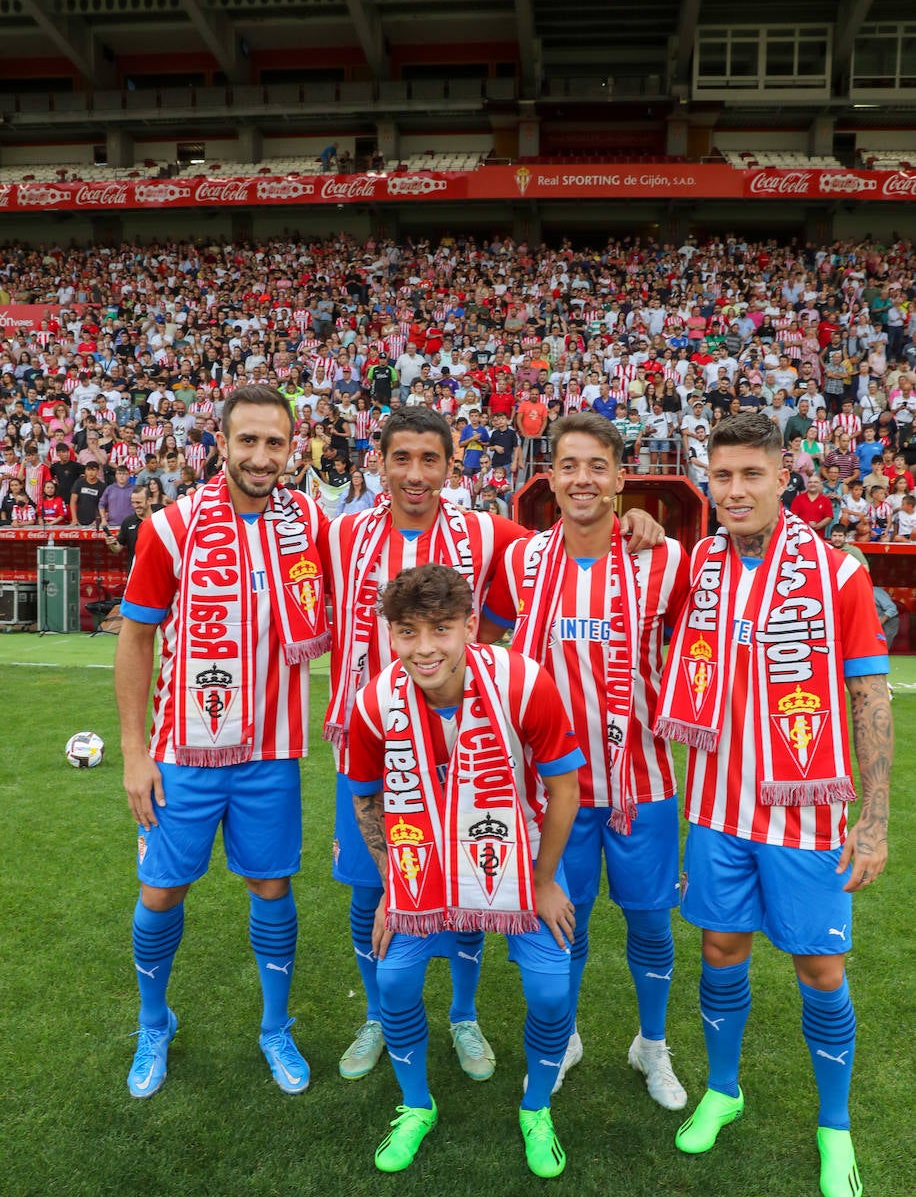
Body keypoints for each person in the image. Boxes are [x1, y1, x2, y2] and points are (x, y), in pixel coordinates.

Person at [325, 406, 662, 1083]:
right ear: (379, 462)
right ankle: (376, 1014)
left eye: (431, 460)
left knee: (477, 874)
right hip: (374, 744)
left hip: (472, 755)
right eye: (401, 458)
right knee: (375, 892)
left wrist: (632, 521)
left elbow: (569, 539)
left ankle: (464, 1013)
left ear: (454, 466)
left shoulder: (487, 533)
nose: (415, 474)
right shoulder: (337, 535)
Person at [655, 412, 892, 1197]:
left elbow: (868, 694)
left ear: (783, 475)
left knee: (819, 969)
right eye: (721, 476)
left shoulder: (838, 571)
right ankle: (724, 1090)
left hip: (806, 818)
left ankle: (834, 1125)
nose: (735, 491)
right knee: (720, 951)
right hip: (719, 811)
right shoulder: (696, 565)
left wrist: (876, 819)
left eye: (751, 474)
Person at [115, 385, 331, 1100]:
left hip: (271, 752)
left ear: (291, 447)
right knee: (160, 892)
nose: (263, 456)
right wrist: (135, 753)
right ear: (220, 444)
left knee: (271, 887)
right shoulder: (173, 527)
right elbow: (137, 638)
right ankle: (155, 1022)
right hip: (184, 752)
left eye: (276, 443)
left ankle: (275, 1028)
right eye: (249, 441)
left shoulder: (310, 526)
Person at [480, 414, 690, 1109]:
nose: (582, 479)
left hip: (643, 782)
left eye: (597, 466)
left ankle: (650, 1045)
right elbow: (491, 651)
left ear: (620, 478)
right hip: (553, 791)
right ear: (550, 477)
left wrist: (652, 527)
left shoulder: (665, 561)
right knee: (562, 924)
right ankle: (561, 1036)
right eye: (568, 465)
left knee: (651, 924)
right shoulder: (521, 560)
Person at [346, 563, 583, 1177]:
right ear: (389, 633)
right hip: (421, 864)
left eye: (442, 629)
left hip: (516, 856)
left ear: (471, 626)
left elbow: (565, 789)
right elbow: (366, 797)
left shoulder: (522, 680)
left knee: (553, 989)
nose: (424, 649)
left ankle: (535, 1109)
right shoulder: (374, 701)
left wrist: (543, 876)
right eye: (407, 632)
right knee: (394, 983)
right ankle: (415, 1104)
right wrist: (389, 880)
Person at [103, 484, 152, 570]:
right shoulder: (128, 522)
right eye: (133, 502)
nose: (135, 506)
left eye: (138, 502)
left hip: (157, 572)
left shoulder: (160, 518)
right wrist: (112, 543)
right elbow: (117, 548)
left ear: (149, 500)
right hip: (135, 572)